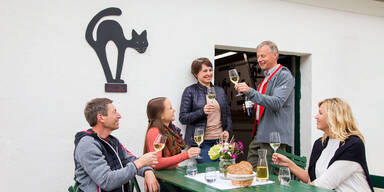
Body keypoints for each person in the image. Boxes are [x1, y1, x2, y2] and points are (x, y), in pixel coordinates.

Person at [272, 98, 373, 192]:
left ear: (334, 117)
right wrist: (289, 164)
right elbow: (312, 179)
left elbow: (325, 183)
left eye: (320, 113)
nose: (316, 116)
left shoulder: (353, 145)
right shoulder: (320, 143)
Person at [74, 98, 160, 192]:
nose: (119, 116)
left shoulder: (112, 141)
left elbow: (129, 159)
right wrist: (139, 164)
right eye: (114, 112)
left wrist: (147, 171)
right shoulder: (87, 144)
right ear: (101, 117)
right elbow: (106, 181)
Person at [235, 40, 295, 168]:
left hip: (273, 136)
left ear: (275, 55)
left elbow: (277, 102)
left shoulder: (284, 75)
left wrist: (250, 91)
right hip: (260, 133)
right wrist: (255, 105)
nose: (259, 60)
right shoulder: (267, 77)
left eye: (263, 56)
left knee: (271, 177)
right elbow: (266, 102)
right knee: (251, 170)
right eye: (258, 57)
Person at [179, 57, 232, 163]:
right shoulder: (190, 91)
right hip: (202, 143)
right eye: (205, 71)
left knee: (222, 172)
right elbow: (183, 118)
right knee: (209, 171)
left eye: (210, 70)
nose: (209, 73)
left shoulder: (220, 90)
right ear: (196, 74)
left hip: (220, 141)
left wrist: (227, 130)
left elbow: (227, 115)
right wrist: (202, 112)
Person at [143, 97, 201, 170]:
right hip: (162, 178)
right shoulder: (155, 131)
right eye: (170, 108)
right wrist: (186, 155)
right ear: (161, 115)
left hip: (171, 174)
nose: (174, 110)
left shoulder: (169, 130)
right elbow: (156, 162)